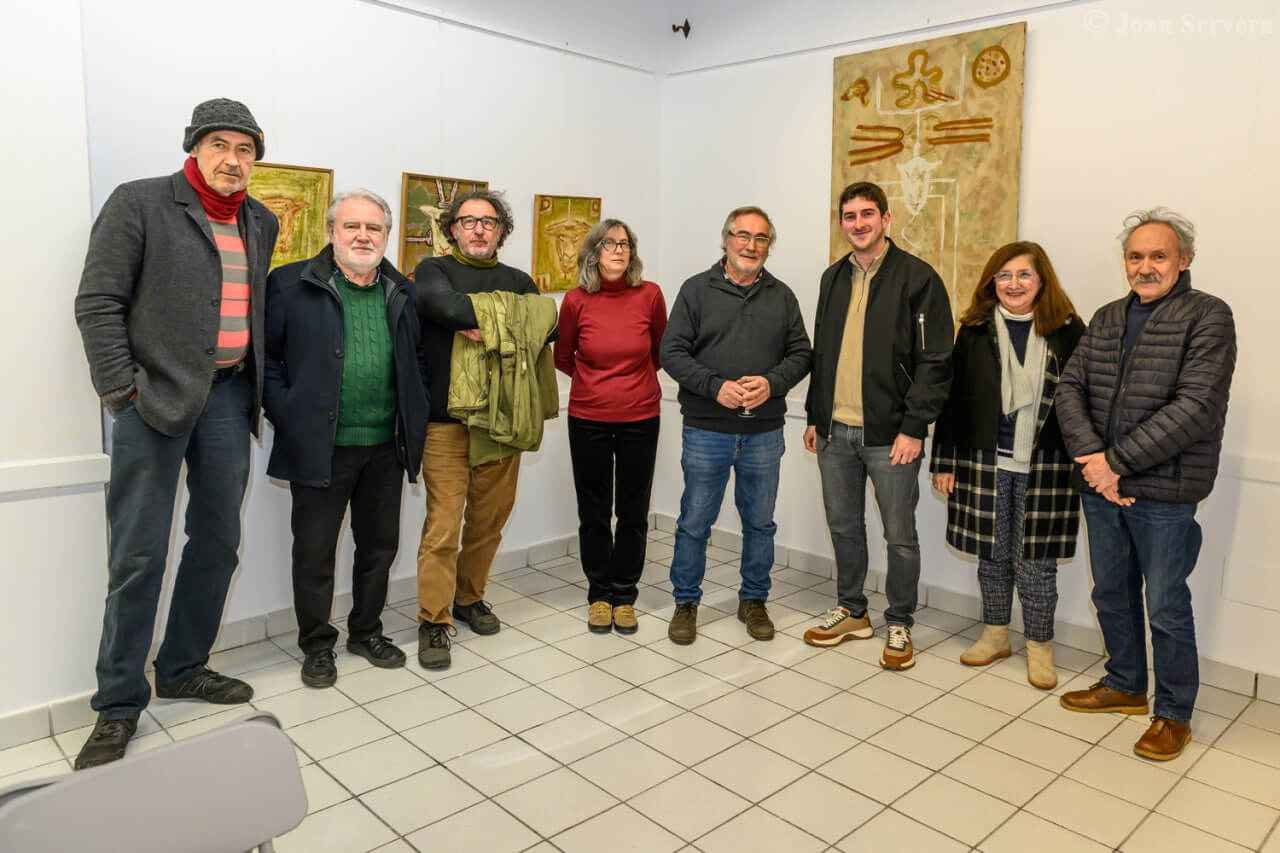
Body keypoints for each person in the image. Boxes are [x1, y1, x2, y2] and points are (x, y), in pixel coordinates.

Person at [72, 99, 279, 768]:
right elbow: (98, 300)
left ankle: (185, 664)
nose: (232, 159)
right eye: (219, 144)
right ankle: (119, 703)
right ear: (194, 148)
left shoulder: (260, 219)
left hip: (227, 399)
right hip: (151, 400)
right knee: (138, 554)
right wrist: (120, 390)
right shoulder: (139, 203)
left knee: (219, 539)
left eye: (245, 148)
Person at [1056, 208, 1236, 761]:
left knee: (1165, 603)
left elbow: (1196, 407)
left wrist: (1115, 464)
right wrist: (1093, 460)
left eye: (1159, 255)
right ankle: (1126, 685)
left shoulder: (1209, 317)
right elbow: (1070, 388)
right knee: (1110, 591)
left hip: (1164, 493)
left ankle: (1173, 713)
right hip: (1101, 486)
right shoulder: (1108, 317)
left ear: (1184, 260)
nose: (1146, 266)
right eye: (1136, 256)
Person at [263, 189, 432, 688]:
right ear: (331, 232)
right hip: (319, 447)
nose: (363, 236)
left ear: (386, 236)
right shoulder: (291, 284)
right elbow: (267, 362)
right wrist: (288, 413)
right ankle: (317, 645)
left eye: (374, 228)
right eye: (352, 226)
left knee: (378, 547)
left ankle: (366, 631)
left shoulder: (402, 290)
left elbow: (416, 361)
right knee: (313, 553)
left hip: (385, 446)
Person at [801, 181, 953, 671]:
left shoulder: (918, 278)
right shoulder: (832, 278)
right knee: (844, 526)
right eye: (849, 216)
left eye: (868, 214)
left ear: (887, 219)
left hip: (891, 436)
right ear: (841, 222)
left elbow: (935, 362)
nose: (859, 223)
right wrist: (813, 416)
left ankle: (900, 620)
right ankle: (852, 610)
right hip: (835, 432)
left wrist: (914, 427)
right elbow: (822, 353)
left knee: (899, 534)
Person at [930, 242, 1085, 689]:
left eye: (1023, 275)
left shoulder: (1070, 332)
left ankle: (1040, 646)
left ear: (1042, 281)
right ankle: (996, 633)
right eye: (1004, 276)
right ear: (991, 282)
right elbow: (952, 401)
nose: (1013, 284)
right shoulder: (975, 330)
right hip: (983, 461)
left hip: (1049, 465)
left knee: (1037, 562)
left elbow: (1087, 402)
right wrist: (944, 460)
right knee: (992, 557)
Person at [660, 206, 812, 645]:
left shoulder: (781, 296)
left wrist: (772, 383)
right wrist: (714, 387)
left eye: (761, 238)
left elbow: (801, 353)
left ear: (769, 245)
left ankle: (753, 600)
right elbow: (672, 352)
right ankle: (686, 603)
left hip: (763, 431)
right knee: (695, 521)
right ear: (725, 239)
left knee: (760, 523)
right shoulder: (695, 290)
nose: (750, 245)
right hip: (707, 429)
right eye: (742, 235)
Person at [414, 190, 540, 669]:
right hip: (445, 424)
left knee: (488, 524)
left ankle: (469, 599)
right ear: (453, 230)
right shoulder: (433, 271)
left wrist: (480, 319)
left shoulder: (520, 279)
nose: (479, 229)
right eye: (468, 222)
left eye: (488, 222)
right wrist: (499, 319)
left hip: (502, 421)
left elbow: (544, 323)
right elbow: (443, 307)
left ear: (502, 230)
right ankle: (434, 620)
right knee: (443, 526)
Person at [555, 219, 667, 635]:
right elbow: (563, 356)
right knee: (595, 512)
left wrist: (628, 385)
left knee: (633, 512)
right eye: (608, 244)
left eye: (625, 244)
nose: (618, 250)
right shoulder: (575, 300)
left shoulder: (650, 295)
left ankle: (625, 593)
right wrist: (600, 385)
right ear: (593, 253)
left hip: (641, 417)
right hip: (588, 419)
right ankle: (599, 593)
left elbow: (659, 351)